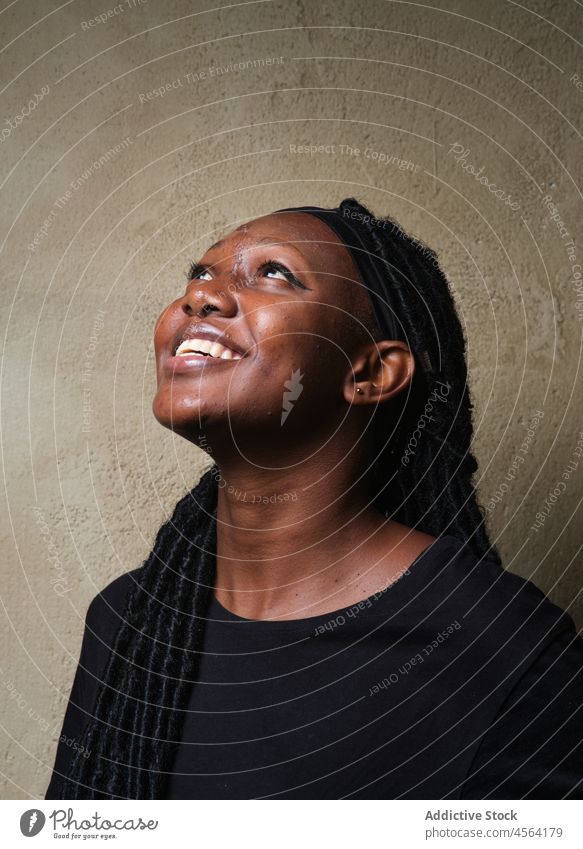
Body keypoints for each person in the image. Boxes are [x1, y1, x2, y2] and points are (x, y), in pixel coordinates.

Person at [46, 197, 583, 800]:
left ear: (372, 373)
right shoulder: (129, 621)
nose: (202, 297)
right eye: (200, 274)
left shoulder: (500, 645)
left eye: (274, 273)